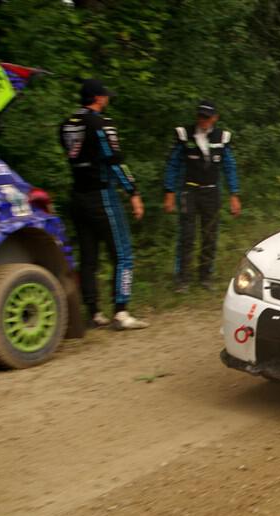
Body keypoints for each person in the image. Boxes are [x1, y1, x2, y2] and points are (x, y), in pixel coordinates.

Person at [59, 79, 149, 330]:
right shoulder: (101, 123)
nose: (107, 99)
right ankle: (121, 312)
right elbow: (115, 159)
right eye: (105, 96)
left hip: (77, 195)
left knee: (88, 257)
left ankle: (94, 313)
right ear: (98, 98)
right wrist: (133, 191)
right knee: (123, 254)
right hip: (102, 196)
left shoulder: (67, 124)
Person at [163, 101, 241, 291]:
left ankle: (205, 275)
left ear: (215, 118)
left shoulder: (222, 137)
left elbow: (229, 167)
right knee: (187, 235)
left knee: (210, 235)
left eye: (207, 117)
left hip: (211, 191)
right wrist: (169, 192)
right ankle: (183, 279)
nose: (203, 120)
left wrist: (234, 194)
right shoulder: (184, 134)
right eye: (200, 116)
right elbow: (173, 165)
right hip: (189, 190)